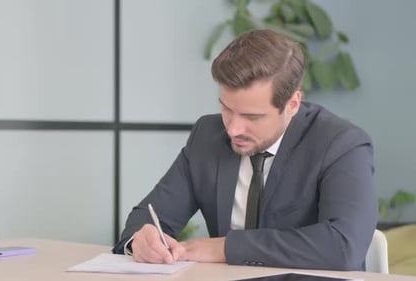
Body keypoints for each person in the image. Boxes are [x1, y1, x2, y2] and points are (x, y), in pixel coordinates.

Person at [112, 29, 378, 271]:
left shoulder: (342, 144)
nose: (233, 129)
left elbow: (344, 245)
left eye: (252, 117)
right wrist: (141, 240)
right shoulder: (207, 135)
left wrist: (224, 247)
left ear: (293, 104)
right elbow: (149, 216)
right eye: (226, 108)